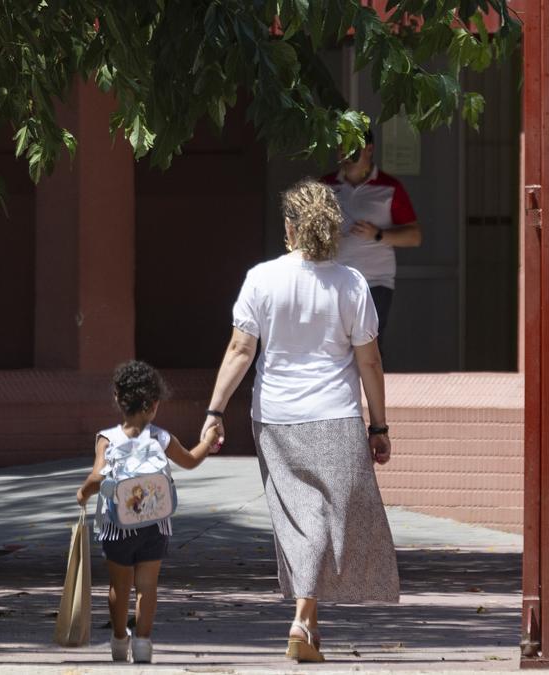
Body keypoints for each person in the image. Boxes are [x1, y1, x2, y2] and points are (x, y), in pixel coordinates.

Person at [201, 178, 399, 663]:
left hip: (276, 418)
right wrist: (379, 426)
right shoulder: (351, 283)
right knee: (328, 520)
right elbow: (369, 362)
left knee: (299, 518)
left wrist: (215, 410)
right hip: (335, 416)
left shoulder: (261, 279)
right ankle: (302, 621)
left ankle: (306, 624)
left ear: (290, 228)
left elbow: (240, 349)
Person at [76, 360, 221, 664]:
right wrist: (208, 442)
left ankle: (118, 640)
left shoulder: (107, 438)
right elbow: (192, 460)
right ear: (154, 404)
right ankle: (142, 642)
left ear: (117, 398)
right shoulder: (161, 437)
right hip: (156, 524)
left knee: (119, 586)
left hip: (117, 527)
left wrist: (82, 493)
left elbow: (97, 476)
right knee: (147, 587)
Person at [321, 128, 421, 339]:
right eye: (341, 148)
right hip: (331, 280)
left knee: (369, 345)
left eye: (353, 148)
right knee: (331, 345)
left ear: (369, 149)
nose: (346, 155)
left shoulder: (390, 187)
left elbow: (414, 236)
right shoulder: (325, 185)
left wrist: (378, 234)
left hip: (375, 282)